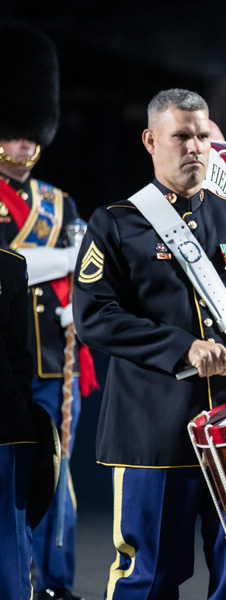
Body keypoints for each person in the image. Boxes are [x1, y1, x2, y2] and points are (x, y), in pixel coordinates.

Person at [72, 88, 226, 599]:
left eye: (201, 136)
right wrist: (183, 348)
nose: (195, 147)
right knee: (149, 578)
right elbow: (94, 318)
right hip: (155, 432)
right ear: (151, 141)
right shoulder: (117, 223)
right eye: (181, 137)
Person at [0, 19, 97, 600]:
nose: (23, 147)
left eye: (30, 136)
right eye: (13, 135)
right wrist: (60, 261)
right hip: (8, 368)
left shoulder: (60, 202)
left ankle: (55, 584)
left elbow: (86, 270)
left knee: (57, 480)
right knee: (13, 484)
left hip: (55, 362)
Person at [0, 247, 40, 600]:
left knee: (9, 553)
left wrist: (25, 429)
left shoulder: (10, 264)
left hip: (6, 428)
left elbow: (18, 358)